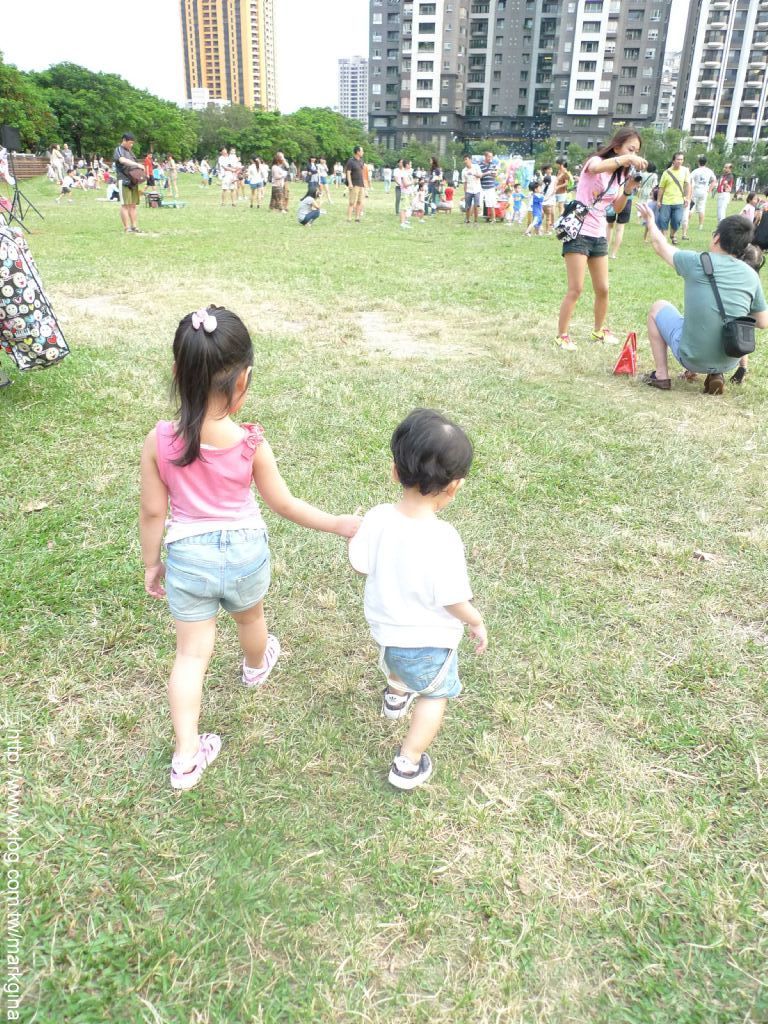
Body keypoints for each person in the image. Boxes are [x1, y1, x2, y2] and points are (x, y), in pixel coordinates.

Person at [139, 306, 360, 791]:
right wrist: (338, 524)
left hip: (188, 559)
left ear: (176, 372)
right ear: (243, 382)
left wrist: (152, 563)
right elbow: (285, 504)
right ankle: (257, 667)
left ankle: (186, 757)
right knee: (250, 618)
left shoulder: (159, 441)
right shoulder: (250, 443)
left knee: (190, 656)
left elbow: (154, 513)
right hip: (245, 556)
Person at [348, 409, 487, 791]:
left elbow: (360, 565)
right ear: (454, 486)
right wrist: (475, 620)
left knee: (400, 667)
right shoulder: (444, 538)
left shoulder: (378, 517)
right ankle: (407, 763)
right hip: (429, 643)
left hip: (387, 635)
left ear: (395, 471)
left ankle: (395, 697)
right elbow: (452, 599)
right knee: (435, 695)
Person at [639, 209, 768, 394]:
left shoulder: (696, 261)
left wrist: (651, 221)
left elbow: (660, 246)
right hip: (730, 360)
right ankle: (716, 373)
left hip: (691, 358)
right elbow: (763, 322)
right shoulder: (751, 275)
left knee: (657, 308)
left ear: (716, 238)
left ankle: (661, 376)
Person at [555, 126, 647, 350]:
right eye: (630, 149)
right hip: (579, 233)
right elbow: (597, 168)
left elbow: (616, 208)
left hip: (598, 234)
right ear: (617, 148)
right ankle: (562, 335)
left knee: (603, 288)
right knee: (576, 288)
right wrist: (627, 159)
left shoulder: (620, 175)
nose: (634, 155)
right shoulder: (595, 162)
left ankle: (599, 330)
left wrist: (628, 189)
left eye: (636, 152)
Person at [656, 152, 691, 246]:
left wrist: (687, 198)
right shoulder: (666, 172)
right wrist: (658, 200)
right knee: (663, 220)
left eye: (681, 159)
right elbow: (661, 187)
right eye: (678, 159)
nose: (680, 161)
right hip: (666, 201)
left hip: (679, 201)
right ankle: (664, 239)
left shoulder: (685, 171)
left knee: (677, 220)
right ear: (673, 160)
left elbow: (687, 185)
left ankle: (673, 234)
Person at [113, 132, 144, 234]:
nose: (131, 145)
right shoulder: (119, 150)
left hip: (133, 181)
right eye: (130, 143)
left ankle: (134, 226)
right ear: (124, 140)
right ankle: (127, 228)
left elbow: (134, 165)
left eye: (132, 143)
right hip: (123, 180)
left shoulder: (130, 152)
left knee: (133, 205)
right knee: (125, 205)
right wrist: (137, 165)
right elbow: (122, 160)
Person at [689, 155, 716, 231]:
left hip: (695, 191)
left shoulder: (696, 171)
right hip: (704, 191)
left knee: (691, 208)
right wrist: (709, 190)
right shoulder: (709, 171)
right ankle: (700, 226)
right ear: (706, 163)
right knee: (701, 209)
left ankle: (686, 223)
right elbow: (714, 181)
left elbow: (689, 180)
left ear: (698, 162)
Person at [345, 145, 366, 223]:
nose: (363, 152)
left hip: (361, 184)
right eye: (362, 151)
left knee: (359, 202)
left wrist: (364, 183)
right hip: (354, 184)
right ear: (357, 152)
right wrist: (350, 183)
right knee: (352, 202)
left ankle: (357, 218)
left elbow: (362, 172)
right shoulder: (351, 161)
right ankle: (349, 218)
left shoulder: (361, 161)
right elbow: (348, 173)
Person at [479, 151, 500, 223]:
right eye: (489, 156)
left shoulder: (493, 165)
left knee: (491, 203)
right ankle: (474, 218)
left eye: (491, 156)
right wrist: (486, 173)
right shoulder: (480, 165)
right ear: (485, 156)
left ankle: (493, 219)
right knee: (477, 202)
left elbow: (496, 174)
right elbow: (479, 175)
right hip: (481, 186)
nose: (490, 158)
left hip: (490, 186)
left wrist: (495, 174)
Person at [461, 154, 482, 225]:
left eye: (466, 159)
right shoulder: (464, 171)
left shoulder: (476, 167)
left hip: (477, 189)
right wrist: (465, 193)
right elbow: (464, 183)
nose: (465, 161)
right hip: (468, 190)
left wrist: (474, 174)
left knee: (476, 206)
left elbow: (480, 176)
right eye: (464, 160)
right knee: (467, 206)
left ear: (470, 160)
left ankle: (476, 221)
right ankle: (467, 220)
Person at [398, 160, 414, 229]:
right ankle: (402, 223)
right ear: (407, 165)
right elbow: (405, 184)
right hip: (405, 193)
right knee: (403, 208)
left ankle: (404, 222)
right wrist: (413, 182)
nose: (411, 165)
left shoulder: (407, 173)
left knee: (406, 207)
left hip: (408, 192)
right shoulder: (404, 173)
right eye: (410, 164)